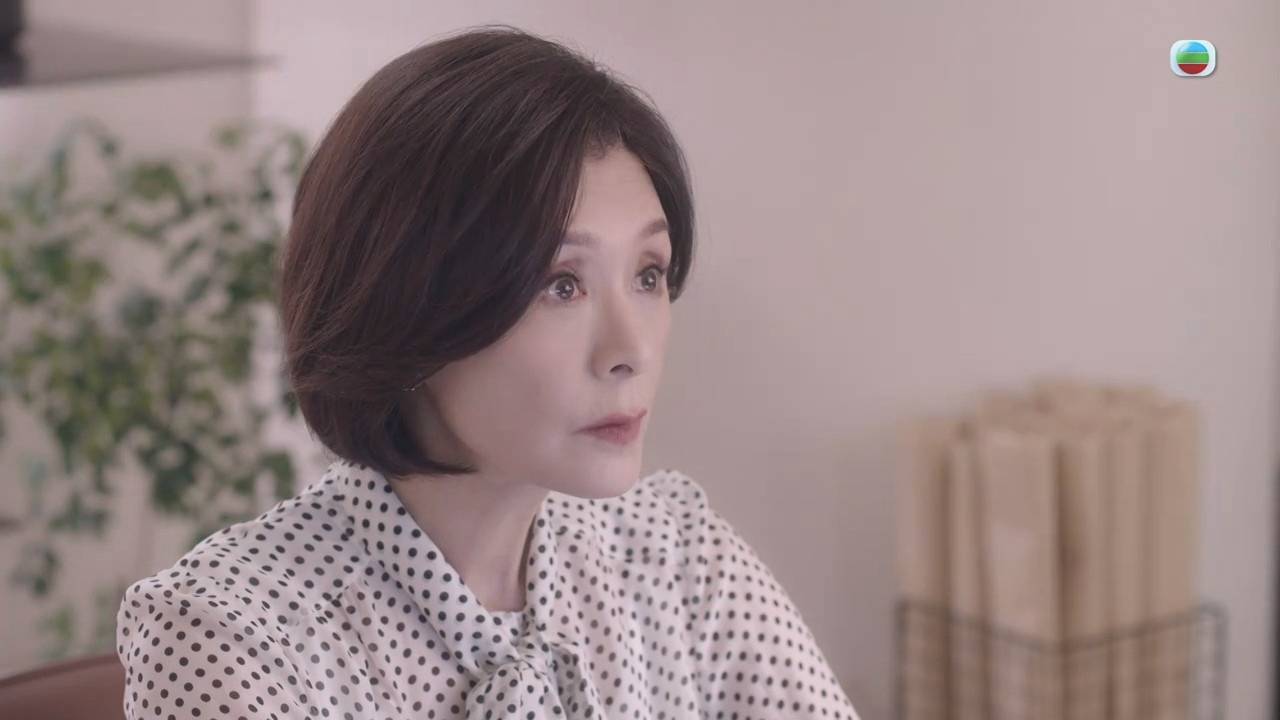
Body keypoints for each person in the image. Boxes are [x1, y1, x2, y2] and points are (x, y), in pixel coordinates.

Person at [115, 23, 859, 720]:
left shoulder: (674, 557)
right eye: (560, 284)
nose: (630, 349)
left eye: (648, 273)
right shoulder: (230, 632)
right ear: (407, 301)